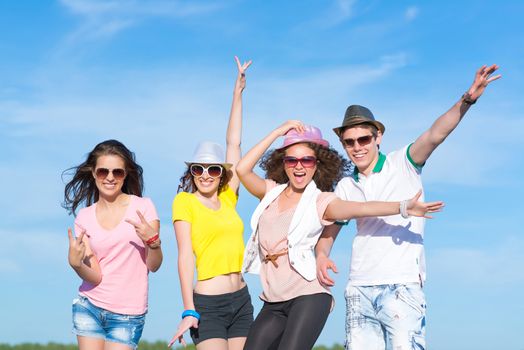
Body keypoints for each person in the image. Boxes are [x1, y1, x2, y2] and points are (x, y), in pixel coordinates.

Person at [315, 64, 501, 350]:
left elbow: (436, 133)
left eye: (364, 139)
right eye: (349, 142)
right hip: (359, 287)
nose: (357, 147)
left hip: (402, 286)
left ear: (378, 137)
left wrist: (467, 100)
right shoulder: (344, 186)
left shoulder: (403, 162)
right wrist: (322, 255)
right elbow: (329, 233)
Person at [236, 121, 443, 350]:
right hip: (273, 298)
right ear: (282, 163)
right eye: (291, 159)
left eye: (307, 160)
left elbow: (361, 208)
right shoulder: (270, 193)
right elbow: (242, 169)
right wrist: (277, 132)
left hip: (308, 294)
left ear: (317, 165)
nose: (299, 166)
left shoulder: (321, 201)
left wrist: (402, 206)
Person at [168, 57, 253, 350]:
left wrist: (237, 93)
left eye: (213, 169)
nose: (205, 175)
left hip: (241, 299)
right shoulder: (184, 202)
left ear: (222, 174)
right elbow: (184, 256)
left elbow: (234, 144)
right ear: (191, 172)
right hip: (209, 304)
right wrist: (188, 309)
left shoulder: (229, 198)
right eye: (198, 169)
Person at [63, 139, 163, 350]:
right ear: (93, 173)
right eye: (103, 172)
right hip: (89, 307)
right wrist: (76, 264)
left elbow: (153, 266)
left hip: (128, 314)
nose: (110, 177)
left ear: (125, 174)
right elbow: (96, 275)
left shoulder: (143, 208)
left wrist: (152, 242)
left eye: (117, 172)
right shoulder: (84, 217)